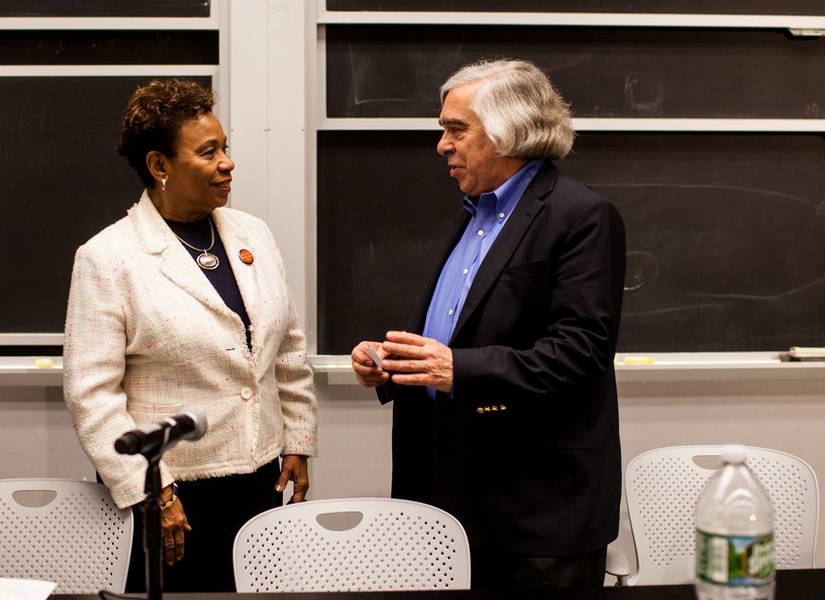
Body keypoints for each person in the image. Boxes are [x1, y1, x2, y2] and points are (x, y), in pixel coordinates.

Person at [351, 58, 626, 589]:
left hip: (533, 510)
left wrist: (455, 368)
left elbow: (582, 352)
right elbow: (464, 333)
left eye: (456, 129)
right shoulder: (474, 213)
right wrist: (395, 365)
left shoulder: (580, 216)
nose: (442, 145)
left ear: (510, 132)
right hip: (444, 493)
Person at [63, 79, 317, 593]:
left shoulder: (254, 235)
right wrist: (151, 492)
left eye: (226, 147)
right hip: (171, 494)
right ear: (160, 166)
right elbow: (92, 396)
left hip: (259, 476)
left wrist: (297, 439)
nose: (228, 163)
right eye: (209, 152)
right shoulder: (109, 259)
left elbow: (286, 346)